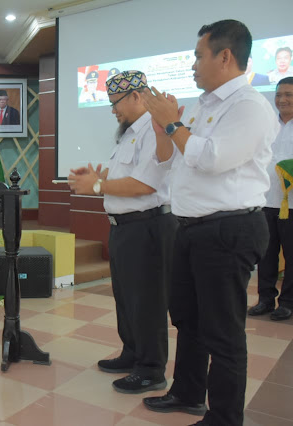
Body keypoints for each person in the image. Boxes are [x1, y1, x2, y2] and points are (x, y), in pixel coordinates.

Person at [141, 20, 280, 425]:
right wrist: (163, 130)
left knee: (223, 332)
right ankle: (187, 392)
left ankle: (224, 417)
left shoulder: (250, 106)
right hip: (193, 228)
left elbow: (212, 158)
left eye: (198, 56)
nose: (192, 66)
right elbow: (177, 162)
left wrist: (172, 124)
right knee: (188, 318)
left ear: (225, 56)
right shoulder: (205, 105)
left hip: (229, 230)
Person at [68, 70, 176, 394]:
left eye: (115, 103)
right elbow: (124, 180)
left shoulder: (154, 130)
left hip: (148, 227)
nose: (113, 110)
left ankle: (151, 369)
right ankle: (132, 353)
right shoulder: (129, 133)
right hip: (125, 229)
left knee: (147, 301)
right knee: (127, 298)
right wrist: (100, 178)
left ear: (137, 97)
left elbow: (145, 184)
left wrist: (98, 185)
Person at [249, 77, 293, 321]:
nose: (282, 99)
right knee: (265, 254)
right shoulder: (268, 125)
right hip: (265, 201)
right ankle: (265, 299)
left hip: (292, 204)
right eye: (278, 95)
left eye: (288, 94)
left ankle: (287, 302)